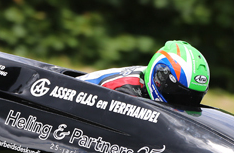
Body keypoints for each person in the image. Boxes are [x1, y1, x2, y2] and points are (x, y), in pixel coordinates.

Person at [76, 40, 210, 106]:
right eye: (178, 95)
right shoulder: (124, 93)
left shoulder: (147, 80)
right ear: (159, 78)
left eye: (193, 98)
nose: (184, 104)